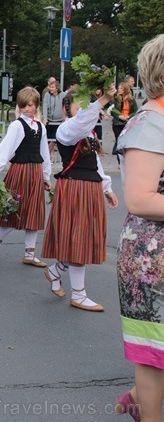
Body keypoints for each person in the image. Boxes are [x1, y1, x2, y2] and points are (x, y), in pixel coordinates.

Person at [114, 34, 164, 422]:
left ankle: (135, 396)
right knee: (154, 353)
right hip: (154, 257)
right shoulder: (150, 124)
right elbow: (141, 199)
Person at [41, 87, 118, 312]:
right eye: (79, 106)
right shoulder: (67, 129)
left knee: (82, 238)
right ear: (68, 109)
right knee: (78, 239)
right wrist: (102, 100)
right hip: (76, 188)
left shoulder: (86, 133)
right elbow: (83, 121)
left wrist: (107, 188)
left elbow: (95, 163)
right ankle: (78, 294)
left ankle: (56, 271)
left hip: (89, 188)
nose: (84, 110)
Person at [0, 87, 52, 268]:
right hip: (20, 171)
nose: (26, 109)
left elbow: (44, 151)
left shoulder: (40, 127)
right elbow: (5, 148)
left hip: (36, 171)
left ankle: (30, 253)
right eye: (23, 106)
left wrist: (46, 176)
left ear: (36, 105)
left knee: (34, 212)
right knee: (15, 209)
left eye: (30, 105)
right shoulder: (17, 126)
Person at [111, 82, 139, 161]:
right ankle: (119, 161)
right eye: (118, 88)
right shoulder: (115, 98)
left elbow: (135, 111)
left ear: (125, 90)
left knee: (126, 141)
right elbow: (111, 110)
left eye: (121, 88)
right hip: (117, 123)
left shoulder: (131, 99)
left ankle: (126, 159)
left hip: (127, 122)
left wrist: (128, 116)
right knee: (119, 141)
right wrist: (118, 116)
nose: (119, 90)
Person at [42, 80, 65, 161]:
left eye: (52, 87)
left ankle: (46, 155)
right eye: (50, 87)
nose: (50, 89)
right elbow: (45, 106)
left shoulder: (62, 95)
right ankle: (51, 156)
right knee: (49, 138)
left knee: (54, 139)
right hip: (49, 120)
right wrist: (44, 118)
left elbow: (66, 105)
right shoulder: (47, 95)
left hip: (59, 120)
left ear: (57, 88)